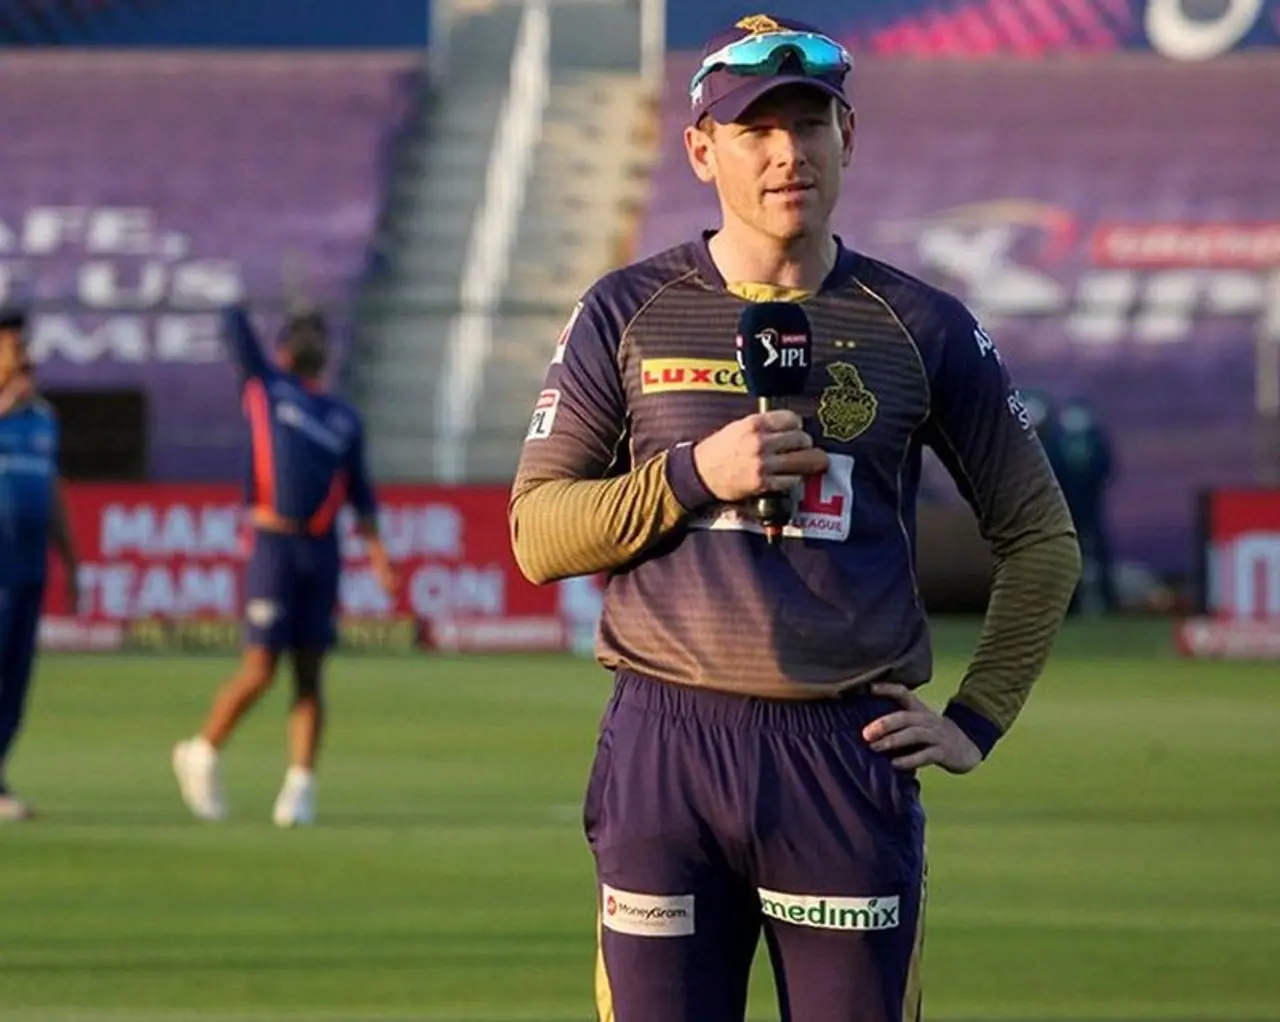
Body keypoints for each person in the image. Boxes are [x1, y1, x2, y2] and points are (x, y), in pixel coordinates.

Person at [508, 13, 1081, 1022]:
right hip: (665, 748)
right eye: (755, 130)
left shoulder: (922, 324)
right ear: (701, 151)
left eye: (809, 124)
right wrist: (693, 474)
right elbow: (537, 533)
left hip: (842, 751)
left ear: (846, 136)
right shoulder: (626, 311)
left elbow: (1041, 538)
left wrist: (975, 719)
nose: (787, 153)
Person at [172, 306, 396, 827]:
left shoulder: (343, 417)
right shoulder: (267, 389)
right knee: (260, 667)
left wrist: (379, 557)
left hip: (321, 550)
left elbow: (361, 495)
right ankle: (202, 750)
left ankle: (300, 787)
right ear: (285, 349)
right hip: (274, 545)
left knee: (310, 673)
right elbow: (233, 327)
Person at [0, 308, 79, 822]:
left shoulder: (43, 416)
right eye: (14, 346)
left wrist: (72, 563)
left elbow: (51, 492)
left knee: (14, 682)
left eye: (25, 345)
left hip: (28, 568)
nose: (25, 355)